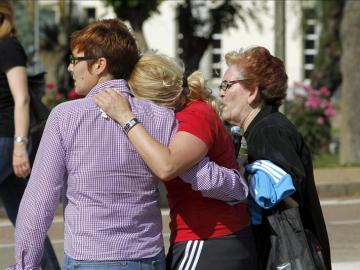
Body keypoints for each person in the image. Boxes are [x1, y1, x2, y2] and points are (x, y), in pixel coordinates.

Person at [93, 53, 257, 270]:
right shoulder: (189, 114)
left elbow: (166, 166)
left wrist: (126, 117)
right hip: (212, 239)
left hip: (209, 239)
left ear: (153, 102)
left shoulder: (194, 115)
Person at [219, 46, 331, 270]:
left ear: (252, 91)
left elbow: (291, 191)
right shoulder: (257, 130)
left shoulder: (269, 130)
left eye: (227, 85)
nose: (220, 92)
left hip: (287, 256)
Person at [0, 1, 60, 269]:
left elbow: (22, 99)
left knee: (25, 216)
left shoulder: (8, 46)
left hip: (6, 138)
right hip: (8, 143)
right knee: (25, 218)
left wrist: (20, 145)